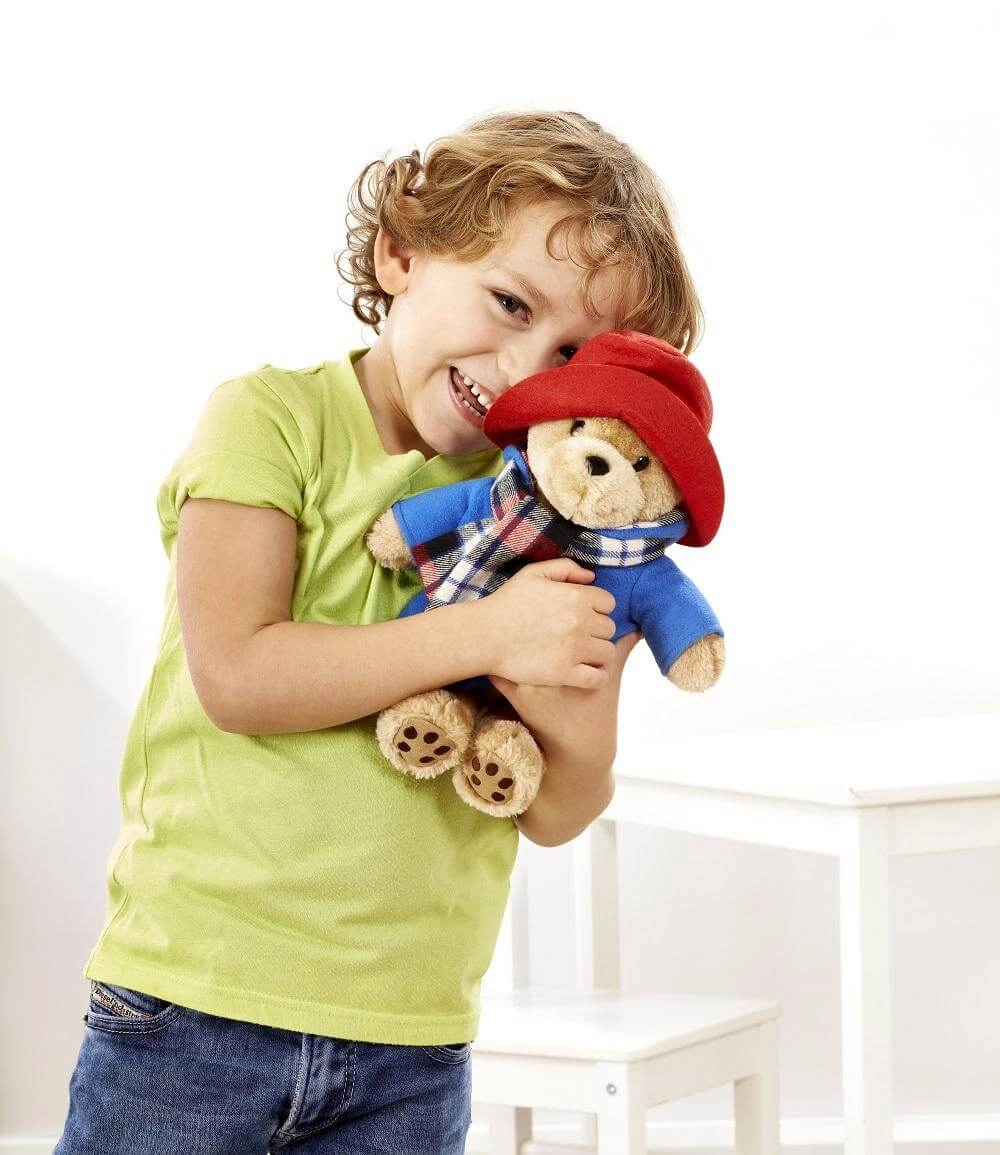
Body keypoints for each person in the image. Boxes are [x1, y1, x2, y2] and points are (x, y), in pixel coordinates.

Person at [54, 108, 705, 1154]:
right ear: (401, 251)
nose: (521, 366)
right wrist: (488, 634)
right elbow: (241, 674)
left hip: (411, 1042)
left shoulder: (549, 511)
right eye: (508, 302)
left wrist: (561, 684)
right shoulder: (270, 420)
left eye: (571, 354)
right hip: (192, 1007)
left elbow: (559, 809)